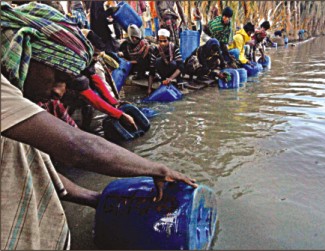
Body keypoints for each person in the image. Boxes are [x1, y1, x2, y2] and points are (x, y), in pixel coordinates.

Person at [1, 73, 198, 250]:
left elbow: (35, 168)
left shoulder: (37, 110)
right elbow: (79, 147)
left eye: (65, 84)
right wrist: (158, 169)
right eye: (55, 78)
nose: (59, 91)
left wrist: (96, 199)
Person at [1, 2, 136, 130]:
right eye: (58, 78)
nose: (59, 91)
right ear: (23, 54)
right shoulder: (10, 103)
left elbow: (97, 81)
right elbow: (91, 97)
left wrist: (115, 103)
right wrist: (118, 114)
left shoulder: (50, 102)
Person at [147, 29, 184, 95]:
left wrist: (170, 79)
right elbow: (151, 70)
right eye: (160, 41)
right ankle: (162, 79)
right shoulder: (156, 50)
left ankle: (179, 81)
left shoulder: (174, 48)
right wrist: (149, 88)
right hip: (162, 72)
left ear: (168, 40)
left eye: (165, 41)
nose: (162, 43)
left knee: (174, 63)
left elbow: (180, 66)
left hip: (173, 71)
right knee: (158, 61)